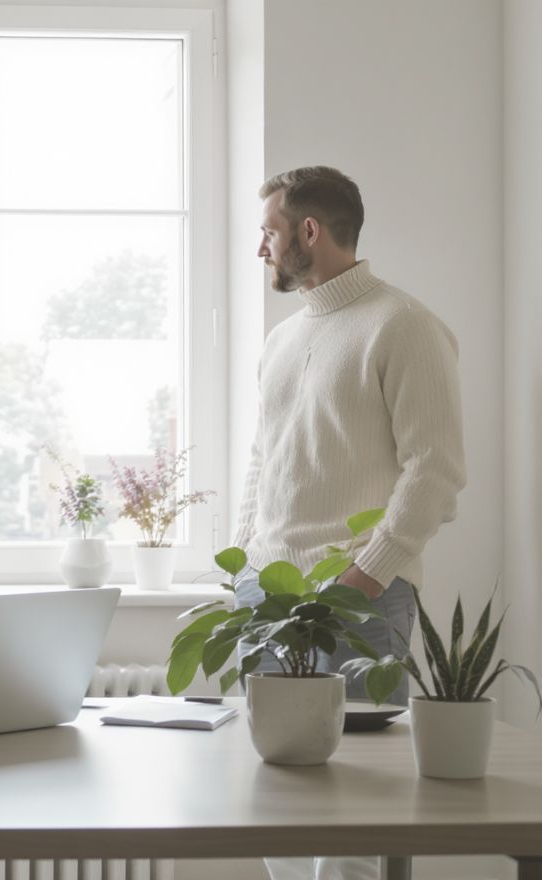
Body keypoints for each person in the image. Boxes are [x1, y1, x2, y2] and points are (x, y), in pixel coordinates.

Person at [234, 166, 466, 880]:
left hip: (362, 597)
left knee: (360, 810)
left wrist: (367, 574)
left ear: (309, 231)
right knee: (277, 801)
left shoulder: (405, 326)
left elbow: (436, 471)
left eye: (269, 231)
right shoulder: (281, 338)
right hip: (267, 600)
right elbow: (264, 459)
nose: (261, 248)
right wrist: (242, 565)